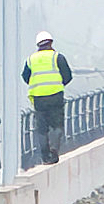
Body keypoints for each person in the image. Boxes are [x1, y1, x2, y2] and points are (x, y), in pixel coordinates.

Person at [25, 31, 72, 166]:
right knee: (57, 125)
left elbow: (25, 76)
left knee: (42, 129)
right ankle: (54, 150)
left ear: (38, 45)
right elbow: (67, 76)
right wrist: (58, 84)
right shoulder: (57, 57)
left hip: (38, 98)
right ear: (51, 42)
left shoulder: (31, 59)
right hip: (55, 96)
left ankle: (45, 157)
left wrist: (37, 84)